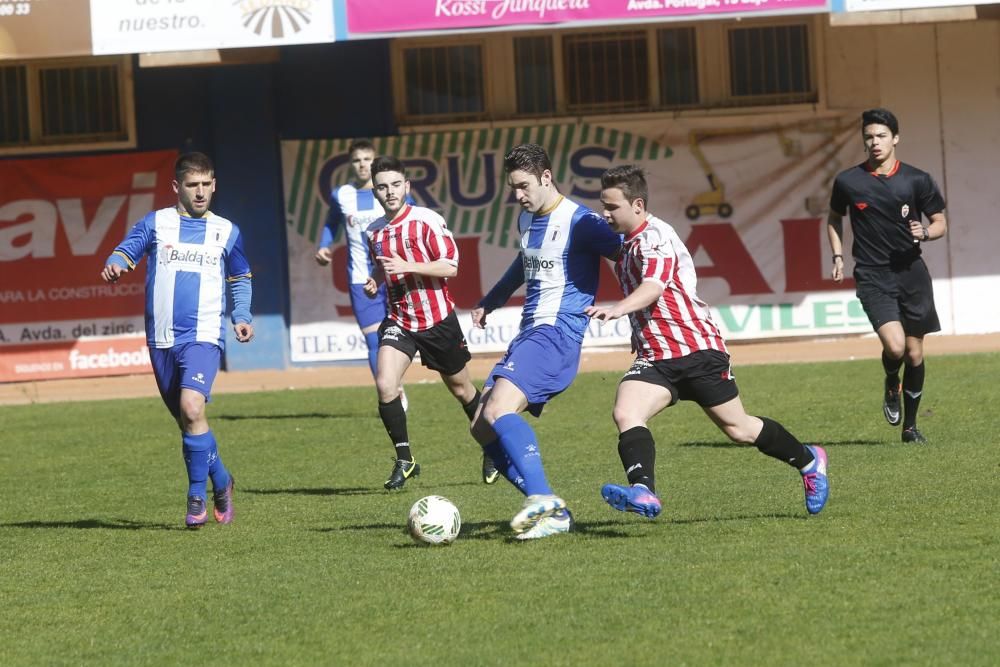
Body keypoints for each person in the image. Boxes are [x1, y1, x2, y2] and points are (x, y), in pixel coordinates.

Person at [586, 164, 828, 519]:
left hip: (696, 349)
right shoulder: (628, 243)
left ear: (637, 205)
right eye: (602, 206)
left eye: (612, 207)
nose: (604, 214)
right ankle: (643, 492)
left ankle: (810, 461)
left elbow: (653, 287)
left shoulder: (655, 238)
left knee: (740, 429)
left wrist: (619, 309)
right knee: (626, 412)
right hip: (656, 357)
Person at [469, 143, 623, 540]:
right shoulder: (527, 219)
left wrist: (640, 304)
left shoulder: (582, 221)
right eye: (512, 187)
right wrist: (492, 300)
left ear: (546, 177)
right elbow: (523, 264)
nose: (517, 195)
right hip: (529, 333)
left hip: (556, 334)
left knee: (500, 409)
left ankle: (540, 497)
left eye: (523, 186)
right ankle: (551, 509)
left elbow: (629, 253)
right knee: (481, 428)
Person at [100, 152, 253, 529]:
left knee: (192, 408)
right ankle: (223, 481)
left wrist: (243, 315)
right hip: (162, 339)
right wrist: (116, 262)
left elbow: (241, 276)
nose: (200, 193)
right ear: (177, 187)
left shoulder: (227, 231)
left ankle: (196, 496)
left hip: (203, 336)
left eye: (206, 184)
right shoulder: (156, 224)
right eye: (192, 185)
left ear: (214, 184)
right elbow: (127, 247)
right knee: (190, 421)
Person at [363, 155, 486, 490]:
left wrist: (408, 264)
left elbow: (451, 267)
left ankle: (491, 446)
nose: (389, 191)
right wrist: (376, 279)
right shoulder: (373, 231)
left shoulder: (426, 220)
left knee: (462, 390)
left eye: (395, 184)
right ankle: (405, 459)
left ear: (407, 186)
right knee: (386, 385)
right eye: (382, 187)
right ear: (375, 192)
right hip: (399, 320)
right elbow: (384, 264)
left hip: (437, 321)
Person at [827, 108, 947, 444]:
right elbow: (834, 218)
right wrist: (837, 255)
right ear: (863, 142)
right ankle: (891, 380)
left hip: (912, 274)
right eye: (869, 137)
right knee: (894, 348)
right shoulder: (849, 181)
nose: (875, 142)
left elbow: (940, 223)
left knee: (915, 353)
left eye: (881, 136)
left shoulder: (917, 179)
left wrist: (925, 232)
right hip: (872, 275)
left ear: (895, 138)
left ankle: (910, 428)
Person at [314, 139, 408, 411]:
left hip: (393, 275)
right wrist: (323, 246)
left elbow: (411, 219)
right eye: (357, 160)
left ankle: (397, 383)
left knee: (400, 336)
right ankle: (392, 393)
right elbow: (332, 223)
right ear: (350, 164)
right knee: (373, 340)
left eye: (367, 158)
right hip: (359, 280)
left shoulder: (391, 192)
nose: (363, 164)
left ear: (375, 159)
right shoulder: (341, 195)